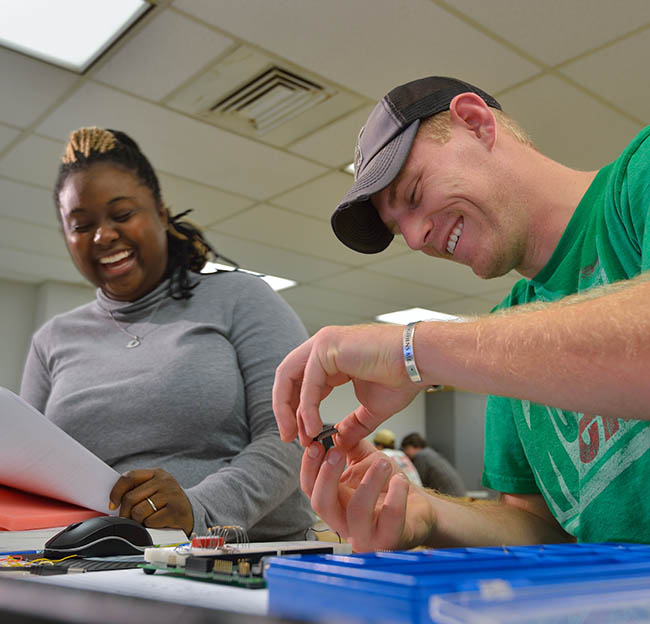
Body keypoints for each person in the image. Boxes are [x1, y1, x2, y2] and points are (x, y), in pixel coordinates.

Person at [272, 76, 650, 552]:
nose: (414, 238)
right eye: (397, 228)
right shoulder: (510, 327)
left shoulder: (641, 178)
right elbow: (542, 530)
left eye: (412, 194)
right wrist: (427, 512)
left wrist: (412, 348)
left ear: (475, 122)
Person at [20, 126, 314, 541]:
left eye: (122, 215)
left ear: (160, 212)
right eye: (81, 225)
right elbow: (28, 468)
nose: (103, 235)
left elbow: (291, 436)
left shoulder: (241, 297)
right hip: (99, 561)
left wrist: (200, 509)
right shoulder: (52, 339)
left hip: (243, 557)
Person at [400, 433, 465, 496]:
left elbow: (419, 483)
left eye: (406, 448)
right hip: (458, 494)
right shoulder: (429, 453)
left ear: (416, 446)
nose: (405, 452)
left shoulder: (421, 456)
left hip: (451, 497)